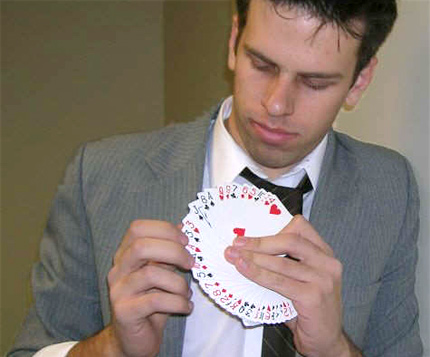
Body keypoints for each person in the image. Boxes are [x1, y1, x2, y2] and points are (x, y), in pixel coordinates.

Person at [8, 0, 423, 356]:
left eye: (315, 82)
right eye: (261, 64)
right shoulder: (100, 175)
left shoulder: (389, 187)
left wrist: (334, 350)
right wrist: (114, 346)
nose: (276, 104)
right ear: (233, 41)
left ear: (360, 81)